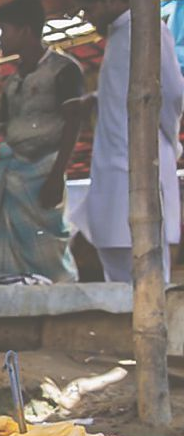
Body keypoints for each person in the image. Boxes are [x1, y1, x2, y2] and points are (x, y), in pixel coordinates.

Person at [0, 0, 82, 285]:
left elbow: (73, 121)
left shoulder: (63, 69)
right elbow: (8, 129)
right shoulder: (12, 81)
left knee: (47, 251)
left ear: (25, 31)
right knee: (0, 249)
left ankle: (60, 297)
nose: (0, 38)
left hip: (43, 174)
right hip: (10, 174)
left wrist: (56, 176)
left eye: (4, 30)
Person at [69, 0, 184, 282]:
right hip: (112, 181)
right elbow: (126, 93)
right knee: (122, 280)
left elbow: (172, 96)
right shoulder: (119, 36)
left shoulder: (147, 30)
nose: (86, 15)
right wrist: (96, 99)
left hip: (139, 177)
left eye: (89, 7)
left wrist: (170, 145)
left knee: (147, 280)